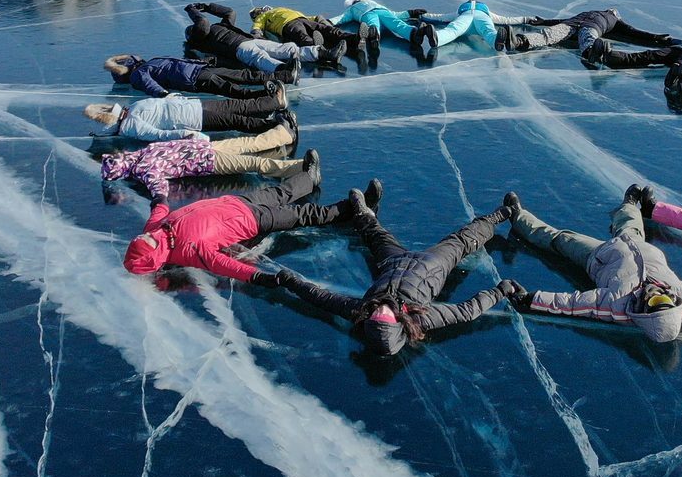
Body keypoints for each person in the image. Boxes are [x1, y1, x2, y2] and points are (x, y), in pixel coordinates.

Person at [269, 185, 520, 355]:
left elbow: (321, 297)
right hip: (433, 265)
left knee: (374, 234)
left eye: (376, 314)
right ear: (399, 324)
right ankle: (504, 213)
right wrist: (502, 290)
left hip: (392, 263)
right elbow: (467, 312)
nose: (380, 308)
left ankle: (362, 209)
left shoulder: (361, 311)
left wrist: (289, 280)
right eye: (385, 315)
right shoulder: (422, 318)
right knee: (465, 239)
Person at [499, 188, 682, 341]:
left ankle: (518, 216)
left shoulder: (615, 304)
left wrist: (530, 299)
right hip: (635, 242)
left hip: (599, 256)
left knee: (561, 239)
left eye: (654, 302)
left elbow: (571, 304)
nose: (657, 294)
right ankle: (629, 202)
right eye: (664, 300)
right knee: (629, 224)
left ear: (643, 311)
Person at [123, 167, 366, 285]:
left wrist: (159, 198)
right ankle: (353, 209)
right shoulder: (188, 251)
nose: (145, 237)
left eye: (140, 239)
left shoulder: (156, 229)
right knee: (301, 214)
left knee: (278, 193)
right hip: (251, 221)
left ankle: (310, 178)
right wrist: (259, 277)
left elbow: (159, 211)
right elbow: (225, 266)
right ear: (153, 256)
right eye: (146, 244)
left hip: (236, 202)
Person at [100, 121, 310, 201]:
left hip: (203, 148)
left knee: (246, 143)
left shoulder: (140, 154)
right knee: (254, 164)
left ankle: (283, 135)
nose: (119, 155)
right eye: (117, 159)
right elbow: (158, 186)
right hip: (207, 162)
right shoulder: (144, 170)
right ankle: (300, 167)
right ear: (122, 166)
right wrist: (159, 201)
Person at [184, 1, 342, 74]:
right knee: (260, 58)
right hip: (237, 49)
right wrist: (192, 10)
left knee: (287, 48)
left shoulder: (222, 26)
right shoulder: (200, 40)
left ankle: (324, 53)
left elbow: (230, 13)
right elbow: (202, 22)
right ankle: (284, 70)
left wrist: (208, 7)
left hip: (250, 41)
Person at [83, 87, 290, 141]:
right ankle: (273, 122)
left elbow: (160, 105)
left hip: (191, 107)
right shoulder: (131, 126)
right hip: (192, 119)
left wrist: (172, 98)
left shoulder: (133, 110)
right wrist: (183, 134)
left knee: (234, 107)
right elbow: (157, 135)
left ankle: (272, 109)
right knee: (234, 118)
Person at [502, 7, 679, 68]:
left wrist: (654, 37)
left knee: (588, 39)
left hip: (590, 28)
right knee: (549, 34)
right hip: (573, 24)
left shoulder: (615, 20)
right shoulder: (595, 13)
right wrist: (543, 21)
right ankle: (518, 41)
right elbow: (563, 20)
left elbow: (632, 31)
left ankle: (592, 52)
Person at [104, 52, 274, 98]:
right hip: (196, 72)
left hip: (193, 76)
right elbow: (150, 83)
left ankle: (266, 92)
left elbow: (150, 83)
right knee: (237, 78)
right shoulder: (146, 67)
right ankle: (274, 83)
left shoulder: (141, 71)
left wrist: (162, 93)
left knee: (231, 89)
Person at [332, 0, 433, 61]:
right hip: (383, 11)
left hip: (366, 14)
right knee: (396, 23)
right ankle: (415, 34)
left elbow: (341, 18)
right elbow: (396, 14)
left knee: (372, 23)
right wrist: (411, 12)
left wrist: (326, 21)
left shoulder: (351, 9)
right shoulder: (374, 3)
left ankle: (374, 35)